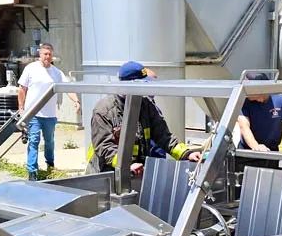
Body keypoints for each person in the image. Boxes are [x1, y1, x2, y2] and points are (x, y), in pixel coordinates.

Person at [88, 61, 201, 177]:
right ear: (129, 84)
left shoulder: (146, 105)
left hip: (136, 173)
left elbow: (164, 136)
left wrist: (187, 154)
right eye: (143, 83)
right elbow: (104, 147)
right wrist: (126, 165)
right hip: (107, 174)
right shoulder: (104, 111)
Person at [17, 42, 81, 180]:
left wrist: (76, 101)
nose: (47, 56)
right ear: (40, 55)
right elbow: (22, 89)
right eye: (45, 54)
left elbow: (67, 87)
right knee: (34, 141)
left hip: (49, 115)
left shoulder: (57, 73)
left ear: (52, 56)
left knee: (49, 141)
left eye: (49, 54)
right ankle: (32, 171)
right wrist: (21, 108)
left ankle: (50, 164)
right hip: (33, 113)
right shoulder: (31, 69)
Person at [237, 73, 282, 152]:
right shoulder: (243, 101)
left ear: (260, 89)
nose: (244, 92)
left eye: (247, 88)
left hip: (272, 151)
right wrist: (255, 146)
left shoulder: (281, 100)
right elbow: (244, 126)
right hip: (247, 151)